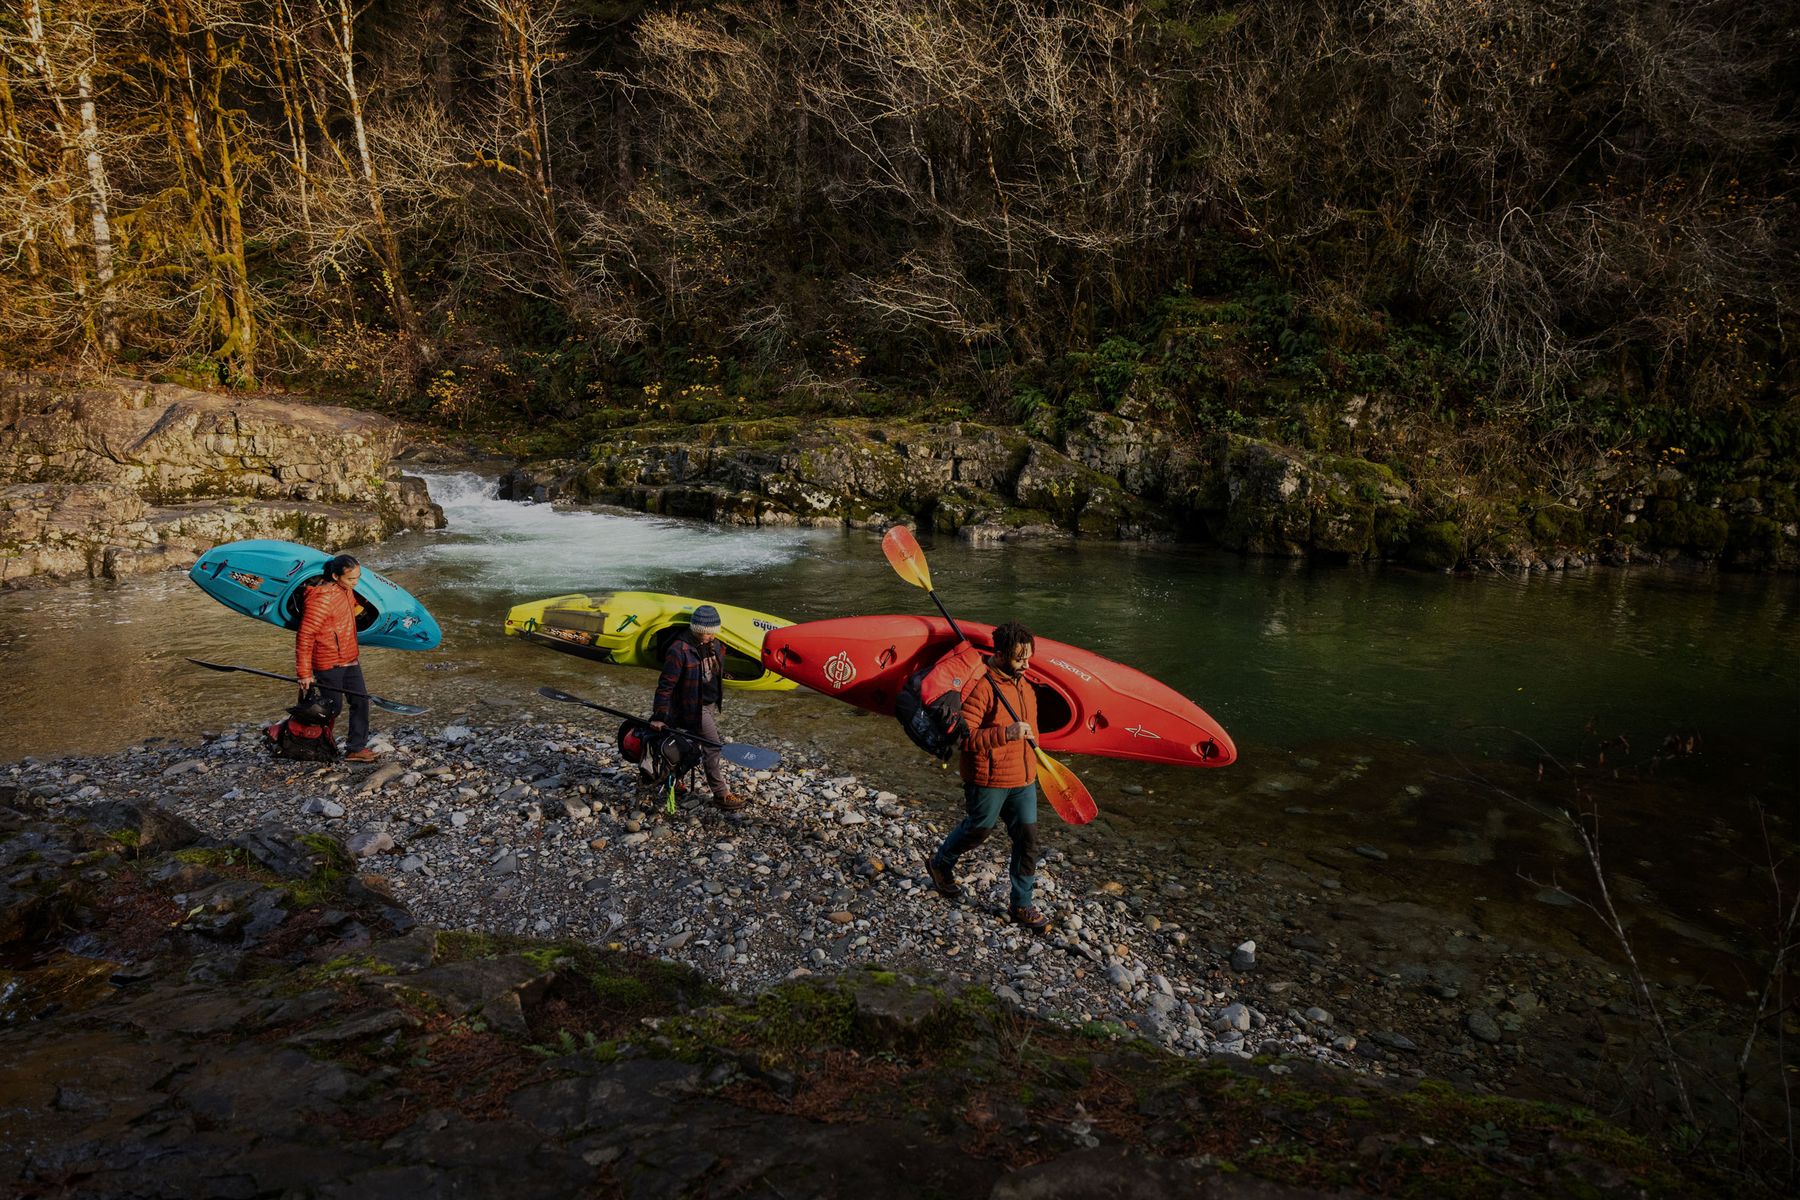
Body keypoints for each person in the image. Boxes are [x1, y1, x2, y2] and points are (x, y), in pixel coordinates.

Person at [925, 619, 1050, 933]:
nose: (1026, 663)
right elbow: (965, 740)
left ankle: (1021, 903)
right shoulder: (982, 687)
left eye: (1029, 657)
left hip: (1023, 779)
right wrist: (1005, 733)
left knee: (1028, 839)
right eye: (1020, 658)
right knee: (978, 831)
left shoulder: (1026, 685)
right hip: (988, 778)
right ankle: (940, 863)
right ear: (1002, 654)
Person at [651, 604, 744, 811]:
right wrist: (659, 716)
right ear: (696, 630)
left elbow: (712, 669)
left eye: (713, 633)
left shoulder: (716, 644)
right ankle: (721, 794)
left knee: (692, 746)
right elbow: (666, 685)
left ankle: (675, 781)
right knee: (713, 745)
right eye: (707, 634)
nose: (711, 637)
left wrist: (726, 675)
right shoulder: (679, 650)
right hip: (692, 706)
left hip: (709, 702)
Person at [296, 554, 377, 763]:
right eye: (351, 579)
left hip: (350, 658)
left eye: (358, 578)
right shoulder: (321, 598)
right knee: (332, 708)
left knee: (361, 702)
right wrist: (304, 673)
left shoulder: (346, 591)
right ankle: (304, 742)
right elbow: (305, 635)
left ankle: (355, 748)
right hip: (329, 661)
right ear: (335, 575)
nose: (356, 583)